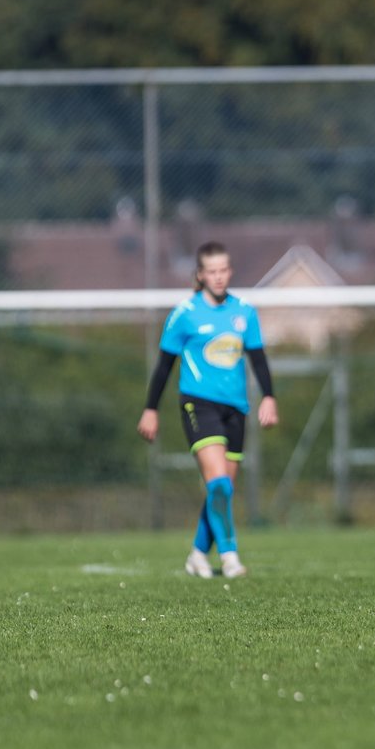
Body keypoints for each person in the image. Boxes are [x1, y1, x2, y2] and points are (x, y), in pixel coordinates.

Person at [138, 241, 278, 579]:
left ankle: (198, 554)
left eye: (223, 270)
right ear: (200, 275)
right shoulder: (184, 314)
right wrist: (150, 409)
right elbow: (163, 366)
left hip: (236, 409)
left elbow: (257, 359)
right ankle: (230, 558)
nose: (218, 277)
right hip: (197, 403)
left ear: (230, 271)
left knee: (223, 489)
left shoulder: (244, 311)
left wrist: (270, 397)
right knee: (218, 484)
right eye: (211, 271)